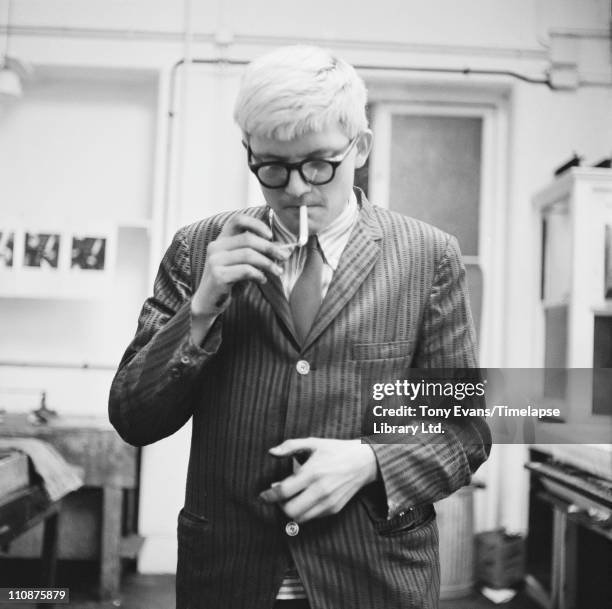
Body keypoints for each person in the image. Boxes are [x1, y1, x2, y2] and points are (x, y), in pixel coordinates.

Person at [109, 45, 491, 609]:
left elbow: (466, 432)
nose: (294, 189)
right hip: (229, 578)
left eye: (318, 164)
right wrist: (202, 308)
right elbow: (134, 417)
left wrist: (371, 461)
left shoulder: (426, 257)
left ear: (359, 148)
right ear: (250, 153)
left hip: (373, 581)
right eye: (272, 167)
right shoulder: (197, 251)